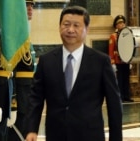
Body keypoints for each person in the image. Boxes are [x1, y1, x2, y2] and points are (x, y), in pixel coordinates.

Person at [25, 5, 123, 141]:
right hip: (56, 135)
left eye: (76, 25)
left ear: (86, 29)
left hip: (90, 135)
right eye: (66, 24)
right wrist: (31, 129)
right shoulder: (46, 61)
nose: (70, 30)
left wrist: (116, 137)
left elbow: (114, 103)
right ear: (59, 27)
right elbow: (35, 98)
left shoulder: (101, 61)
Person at [7, 0, 37, 140]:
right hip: (19, 93)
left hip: (28, 90)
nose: (30, 9)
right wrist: (13, 97)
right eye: (26, 5)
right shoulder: (13, 36)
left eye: (32, 6)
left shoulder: (23, 34)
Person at [108, 15, 134, 102]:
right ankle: (120, 97)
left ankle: (127, 96)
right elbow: (111, 50)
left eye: (123, 23)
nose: (122, 25)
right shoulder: (113, 36)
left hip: (126, 60)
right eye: (120, 23)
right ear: (116, 26)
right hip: (117, 61)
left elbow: (129, 48)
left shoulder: (127, 35)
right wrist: (112, 63)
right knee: (119, 80)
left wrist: (130, 60)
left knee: (126, 79)